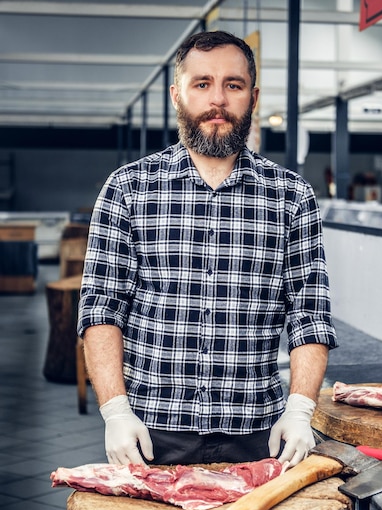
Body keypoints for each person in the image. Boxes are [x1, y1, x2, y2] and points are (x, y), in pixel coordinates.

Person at [78, 30, 337, 469]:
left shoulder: (291, 196)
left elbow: (308, 313)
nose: (217, 99)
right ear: (177, 94)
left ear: (252, 97)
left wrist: (300, 409)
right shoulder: (128, 189)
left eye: (232, 85)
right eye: (202, 84)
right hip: (152, 430)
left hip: (260, 431)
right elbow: (101, 308)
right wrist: (115, 411)